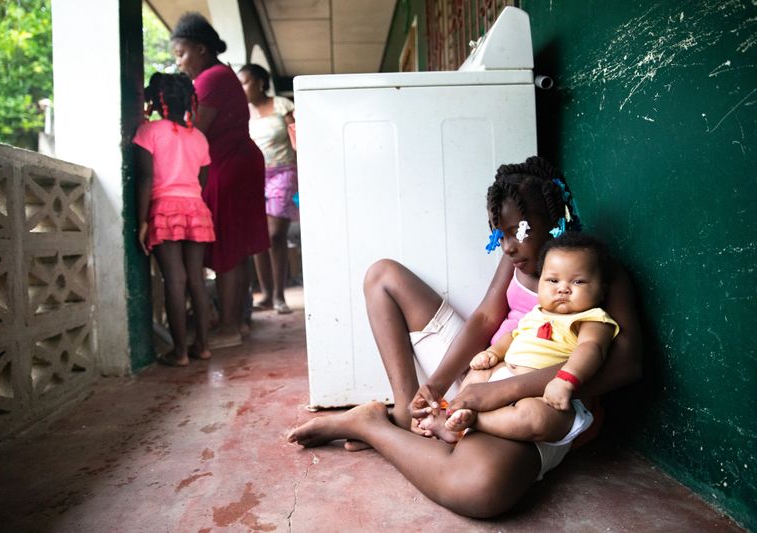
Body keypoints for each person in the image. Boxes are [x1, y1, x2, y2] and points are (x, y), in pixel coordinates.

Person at [287, 156, 642, 518]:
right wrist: (436, 386)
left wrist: (503, 391)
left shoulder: (595, 272)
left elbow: (627, 364)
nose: (507, 247)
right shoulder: (517, 256)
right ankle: (404, 411)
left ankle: (371, 426)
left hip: (532, 393)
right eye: (499, 235)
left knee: (478, 490)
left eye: (518, 232)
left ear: (555, 221)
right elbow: (487, 316)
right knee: (383, 277)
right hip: (484, 368)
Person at [420, 233, 618, 459]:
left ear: (601, 290)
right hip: (503, 377)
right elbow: (513, 336)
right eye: (553, 280)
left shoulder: (593, 319)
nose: (563, 289)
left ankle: (473, 421)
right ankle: (456, 420)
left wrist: (566, 380)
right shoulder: (537, 313)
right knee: (477, 375)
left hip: (544, 394)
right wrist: (493, 353)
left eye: (578, 281)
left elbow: (591, 349)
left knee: (535, 420)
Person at [170, 12, 269, 348]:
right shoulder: (222, 74)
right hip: (239, 164)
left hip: (229, 168)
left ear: (200, 49)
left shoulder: (211, 78)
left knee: (227, 247)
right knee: (237, 250)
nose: (180, 63)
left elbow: (195, 131)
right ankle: (236, 324)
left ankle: (227, 328)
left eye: (181, 54)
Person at [134, 72, 214, 366]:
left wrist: (142, 220)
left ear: (156, 101)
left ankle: (179, 352)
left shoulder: (149, 131)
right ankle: (202, 346)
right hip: (196, 208)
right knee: (196, 278)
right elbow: (201, 180)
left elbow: (145, 179)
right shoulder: (200, 138)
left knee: (175, 279)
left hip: (164, 209)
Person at [237, 63, 299, 315]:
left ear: (261, 82)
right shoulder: (242, 113)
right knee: (258, 237)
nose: (242, 88)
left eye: (245, 82)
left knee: (275, 235)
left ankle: (279, 296)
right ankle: (265, 294)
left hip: (283, 172)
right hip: (252, 176)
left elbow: (299, 139)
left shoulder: (282, 105)